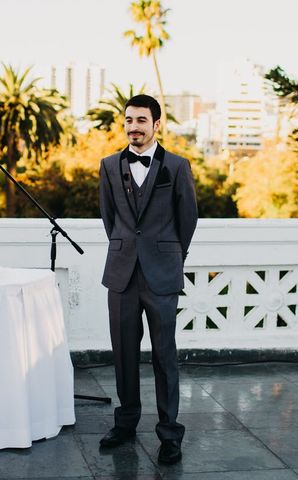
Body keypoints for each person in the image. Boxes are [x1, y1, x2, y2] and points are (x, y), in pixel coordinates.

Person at [98, 94, 198, 464]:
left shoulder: (177, 165)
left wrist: (170, 255)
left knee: (164, 356)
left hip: (162, 273)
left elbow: (187, 218)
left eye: (141, 120)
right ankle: (125, 424)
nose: (133, 126)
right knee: (123, 354)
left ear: (157, 124)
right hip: (122, 273)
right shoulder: (109, 166)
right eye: (128, 120)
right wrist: (127, 249)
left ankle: (170, 434)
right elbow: (110, 218)